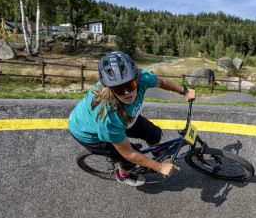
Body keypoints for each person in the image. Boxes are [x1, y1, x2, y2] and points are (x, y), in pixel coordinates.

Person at [68, 51, 196, 187]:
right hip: (87, 132)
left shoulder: (142, 78)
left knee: (154, 133)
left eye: (130, 86)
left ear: (136, 78)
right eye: (118, 89)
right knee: (129, 160)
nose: (126, 93)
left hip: (125, 116)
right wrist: (159, 167)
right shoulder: (109, 118)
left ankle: (156, 151)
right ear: (108, 88)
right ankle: (122, 175)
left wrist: (184, 91)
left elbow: (162, 82)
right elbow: (129, 153)